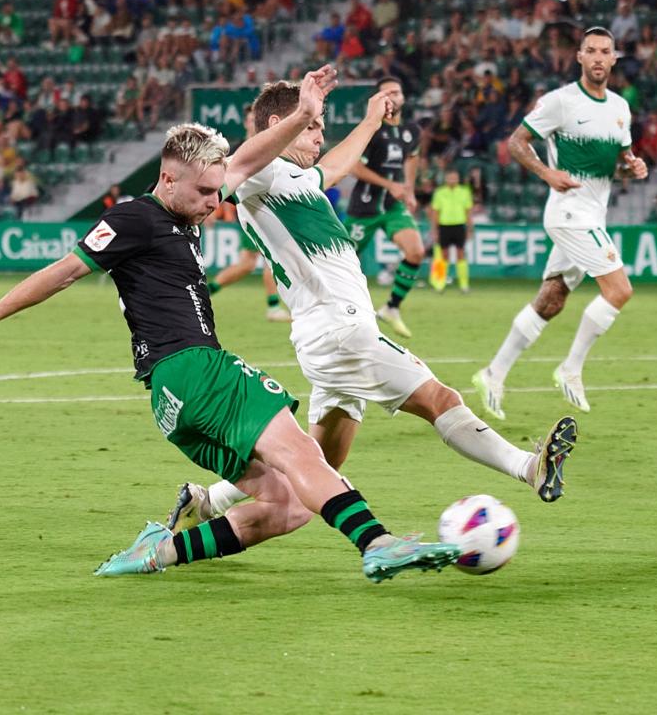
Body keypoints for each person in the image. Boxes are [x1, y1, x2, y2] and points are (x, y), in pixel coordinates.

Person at [0, 65, 461, 583]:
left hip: (170, 402)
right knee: (304, 451)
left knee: (287, 505)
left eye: (219, 191)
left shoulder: (190, 201)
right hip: (193, 369)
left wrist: (305, 114)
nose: (215, 202)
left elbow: (251, 157)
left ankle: (158, 552)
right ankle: (378, 544)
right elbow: (63, 272)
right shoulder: (135, 218)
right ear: (167, 178)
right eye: (205, 192)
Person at [164, 78, 577, 536]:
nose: (320, 135)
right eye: (312, 126)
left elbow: (336, 167)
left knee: (319, 462)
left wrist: (370, 121)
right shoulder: (257, 171)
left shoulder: (295, 178)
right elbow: (242, 161)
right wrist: (302, 113)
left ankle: (205, 501)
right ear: (280, 125)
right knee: (440, 399)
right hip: (340, 329)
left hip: (330, 332)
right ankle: (530, 468)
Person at [473, 27, 648, 419]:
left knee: (551, 300)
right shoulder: (560, 102)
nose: (599, 57)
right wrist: (547, 174)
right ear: (580, 57)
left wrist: (633, 166)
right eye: (591, 51)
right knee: (619, 290)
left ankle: (493, 372)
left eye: (606, 51)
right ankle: (571, 369)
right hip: (568, 213)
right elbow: (517, 142)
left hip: (591, 212)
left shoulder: (621, 108)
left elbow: (618, 163)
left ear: (614, 58)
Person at [344, 77, 425, 338]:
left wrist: (409, 189)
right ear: (378, 100)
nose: (393, 96)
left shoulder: (412, 131)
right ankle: (340, 313)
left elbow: (412, 157)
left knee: (415, 252)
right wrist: (388, 184)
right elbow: (355, 167)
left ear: (403, 98)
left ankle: (391, 308)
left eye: (397, 92)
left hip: (392, 207)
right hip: (364, 207)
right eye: (386, 93)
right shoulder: (371, 130)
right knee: (344, 264)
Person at [207, 107, 291, 322]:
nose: (254, 122)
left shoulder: (272, 147)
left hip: (266, 208)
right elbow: (219, 182)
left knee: (249, 263)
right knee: (272, 257)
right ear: (245, 123)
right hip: (251, 211)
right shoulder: (237, 151)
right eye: (251, 119)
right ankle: (273, 307)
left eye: (257, 118)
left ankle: (204, 294)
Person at [428, 167, 475, 293]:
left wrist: (470, 229)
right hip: (444, 226)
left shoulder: (464, 192)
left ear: (458, 179)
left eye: (455, 178)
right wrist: (434, 229)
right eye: (450, 178)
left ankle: (464, 285)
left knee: (461, 254)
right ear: (446, 179)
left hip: (459, 225)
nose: (452, 180)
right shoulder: (439, 193)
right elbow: (435, 212)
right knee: (443, 255)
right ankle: (439, 284)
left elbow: (468, 212)